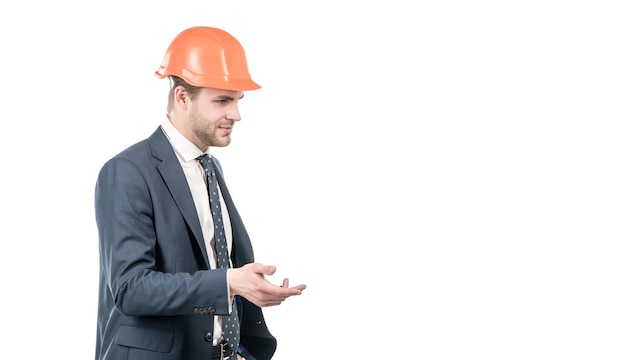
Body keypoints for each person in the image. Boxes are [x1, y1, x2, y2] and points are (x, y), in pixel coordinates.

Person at [94, 26, 306, 360]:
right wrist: (230, 283)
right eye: (222, 101)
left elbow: (213, 265)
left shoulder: (210, 168)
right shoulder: (128, 171)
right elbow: (130, 289)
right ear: (182, 97)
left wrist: (237, 350)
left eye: (237, 101)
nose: (235, 114)